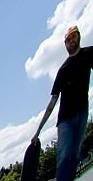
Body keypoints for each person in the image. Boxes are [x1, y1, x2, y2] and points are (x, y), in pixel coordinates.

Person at [33, 25, 93, 181]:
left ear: (78, 37)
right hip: (65, 120)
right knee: (65, 157)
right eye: (68, 40)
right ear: (65, 44)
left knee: (74, 156)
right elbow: (52, 103)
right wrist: (38, 131)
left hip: (83, 113)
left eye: (73, 37)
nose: (71, 41)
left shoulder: (89, 54)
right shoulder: (63, 70)